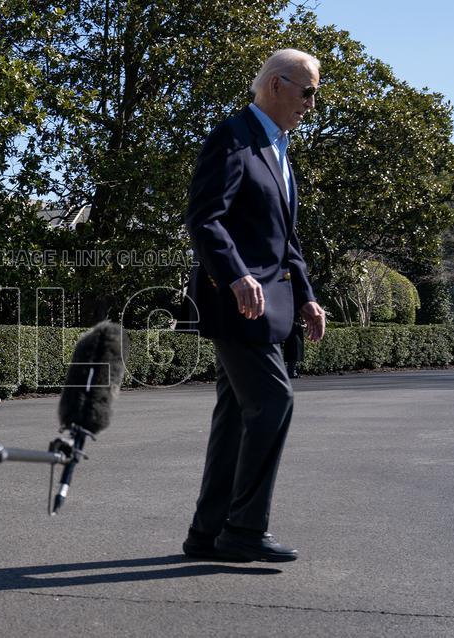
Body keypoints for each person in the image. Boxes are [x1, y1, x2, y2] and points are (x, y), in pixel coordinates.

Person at [181, 49, 327, 562]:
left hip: (272, 304)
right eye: (308, 92)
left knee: (236, 417)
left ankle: (207, 533)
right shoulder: (233, 137)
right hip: (237, 303)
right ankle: (243, 531)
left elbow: (285, 239)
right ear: (276, 85)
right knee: (273, 402)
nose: (312, 103)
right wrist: (236, 274)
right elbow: (205, 218)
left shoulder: (277, 148)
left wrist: (306, 296)